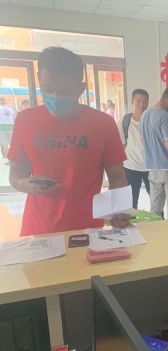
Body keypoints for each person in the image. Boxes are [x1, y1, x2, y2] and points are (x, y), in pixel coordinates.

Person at [8, 47, 130, 236]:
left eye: (64, 91)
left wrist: (119, 210)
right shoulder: (25, 120)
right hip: (38, 229)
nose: (55, 96)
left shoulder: (102, 124)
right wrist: (26, 184)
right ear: (39, 79)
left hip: (86, 229)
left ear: (81, 89)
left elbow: (117, 177)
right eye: (48, 89)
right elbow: (15, 173)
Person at [141, 87, 168, 219]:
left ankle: (154, 230)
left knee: (155, 208)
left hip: (152, 167)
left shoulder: (145, 115)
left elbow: (142, 141)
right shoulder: (166, 117)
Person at [119, 89, 150, 209]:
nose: (142, 104)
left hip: (150, 167)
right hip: (130, 167)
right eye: (138, 101)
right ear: (132, 102)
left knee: (156, 199)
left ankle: (160, 218)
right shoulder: (124, 121)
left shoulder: (151, 120)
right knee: (131, 202)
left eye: (145, 101)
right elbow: (122, 145)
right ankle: (131, 221)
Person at [0, 97, 15, 166]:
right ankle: (14, 159)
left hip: (2, 127)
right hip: (11, 127)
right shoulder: (11, 109)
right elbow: (14, 118)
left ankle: (9, 160)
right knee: (12, 144)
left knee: (5, 144)